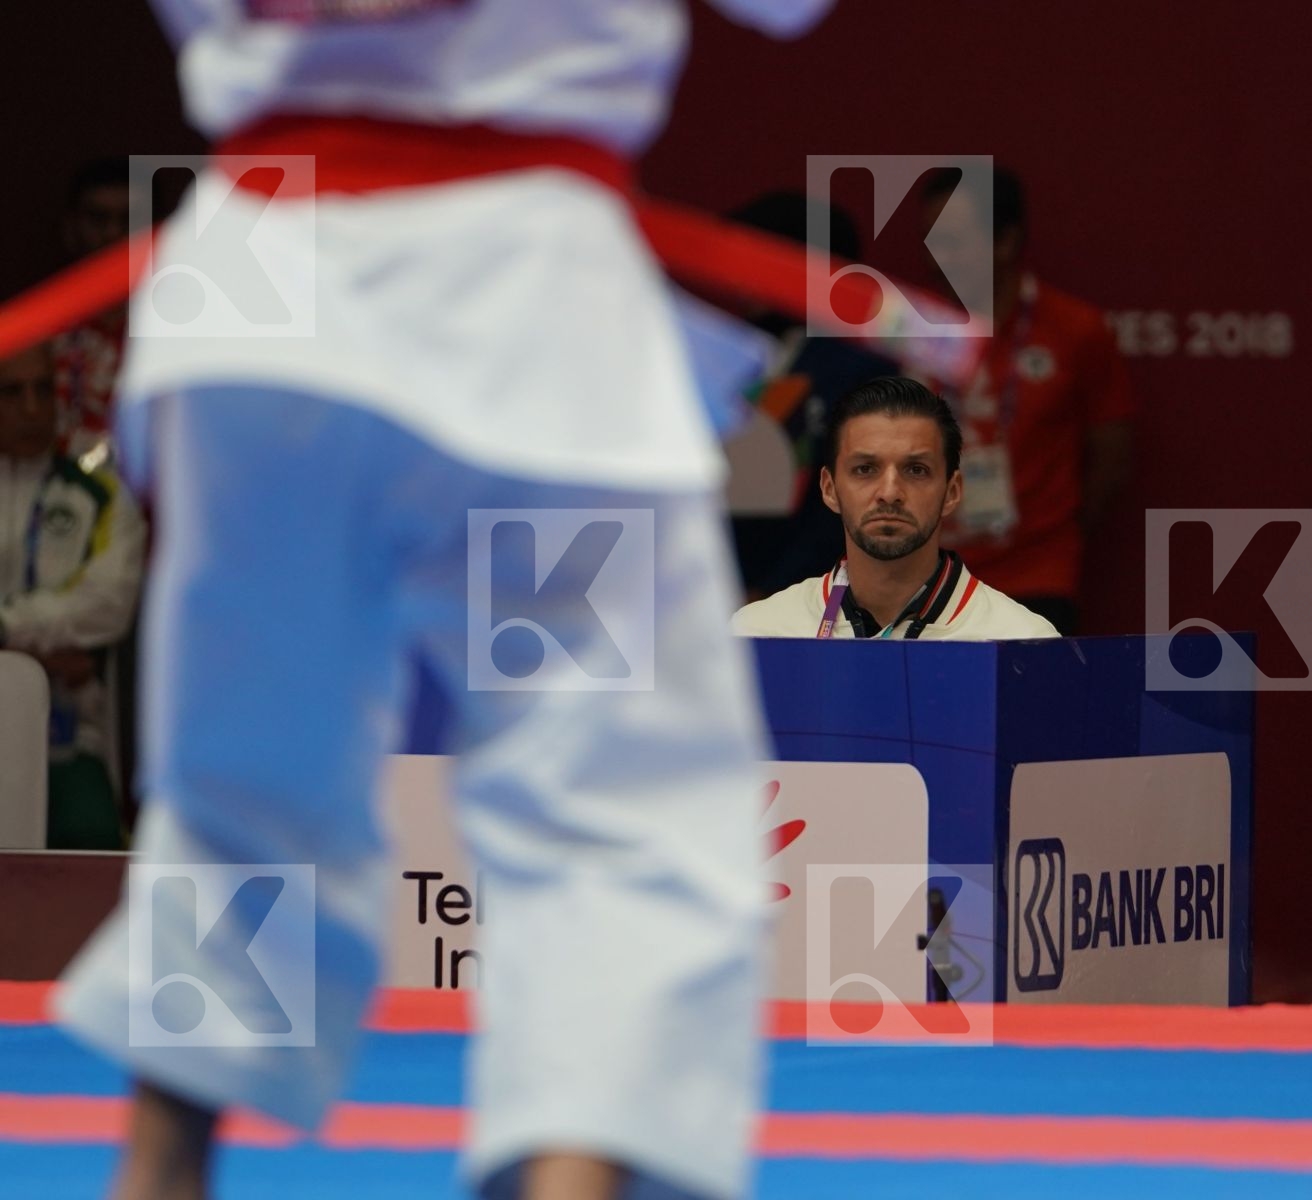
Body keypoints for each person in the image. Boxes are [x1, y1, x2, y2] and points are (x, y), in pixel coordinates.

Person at [52, 3, 835, 1200]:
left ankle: (157, 1175)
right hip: (526, 317)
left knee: (245, 783)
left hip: (264, 303)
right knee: (607, 800)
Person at [916, 165, 1134, 636]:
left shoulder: (1075, 330)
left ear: (1006, 242)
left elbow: (1111, 450)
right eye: (932, 240)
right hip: (929, 576)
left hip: (1037, 574)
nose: (937, 258)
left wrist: (1055, 533)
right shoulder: (911, 331)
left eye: (954, 241)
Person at [733, 376, 1058, 640]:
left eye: (916, 470)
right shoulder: (757, 635)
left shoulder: (1025, 642)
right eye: (865, 469)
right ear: (829, 489)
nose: (889, 493)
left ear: (952, 491)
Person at [0, 342, 146, 849]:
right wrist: (41, 654)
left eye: (44, 389)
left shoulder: (99, 488)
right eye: (13, 392)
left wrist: (7, 632)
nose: (33, 408)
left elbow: (109, 603)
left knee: (92, 839)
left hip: (69, 738)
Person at [722, 190, 900, 599]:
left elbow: (850, 508)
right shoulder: (745, 353)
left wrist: (775, 591)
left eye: (756, 261)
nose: (738, 278)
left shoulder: (860, 369)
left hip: (814, 604)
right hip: (728, 595)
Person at [53, 157, 132, 461]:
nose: (113, 234)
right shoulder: (39, 335)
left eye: (127, 220)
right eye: (98, 219)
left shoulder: (180, 330)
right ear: (72, 227)